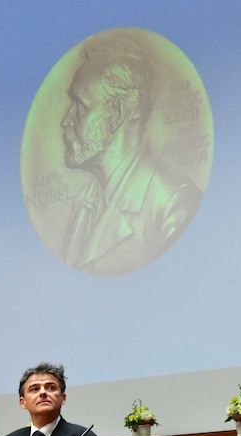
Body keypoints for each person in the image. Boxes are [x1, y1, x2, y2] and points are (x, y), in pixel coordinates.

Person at [59, 32, 203, 276]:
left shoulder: (174, 206)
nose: (66, 121)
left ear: (116, 113)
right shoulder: (83, 204)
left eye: (80, 106)